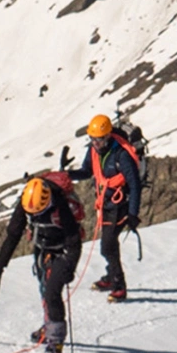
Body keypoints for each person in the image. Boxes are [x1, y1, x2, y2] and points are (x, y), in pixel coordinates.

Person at [0, 172, 84, 353]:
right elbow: (13, 235)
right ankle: (49, 325)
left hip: (62, 251)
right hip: (42, 249)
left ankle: (55, 339)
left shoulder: (60, 204)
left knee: (51, 292)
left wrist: (69, 267)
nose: (35, 216)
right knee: (44, 290)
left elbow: (73, 239)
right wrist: (0, 266)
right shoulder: (27, 204)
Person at [68, 113, 143, 301]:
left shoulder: (122, 156)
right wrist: (68, 175)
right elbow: (87, 171)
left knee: (108, 246)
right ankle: (111, 276)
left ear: (108, 136)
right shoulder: (94, 151)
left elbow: (134, 185)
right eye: (92, 139)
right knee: (108, 245)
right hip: (106, 204)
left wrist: (133, 214)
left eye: (98, 139)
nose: (95, 143)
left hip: (120, 206)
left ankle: (119, 285)